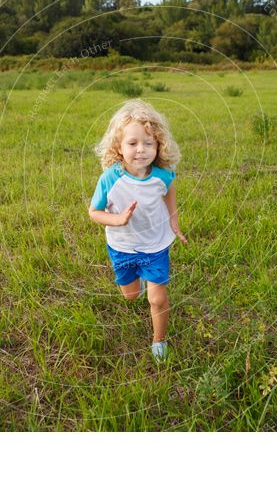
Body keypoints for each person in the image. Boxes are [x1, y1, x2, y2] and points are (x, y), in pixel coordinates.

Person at [88, 100, 187, 362]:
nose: (141, 150)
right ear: (119, 147)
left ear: (158, 146)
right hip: (122, 246)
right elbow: (94, 212)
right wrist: (118, 219)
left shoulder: (162, 175)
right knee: (131, 296)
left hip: (155, 245)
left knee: (157, 299)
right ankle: (139, 282)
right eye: (132, 144)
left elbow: (170, 189)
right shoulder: (110, 178)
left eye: (148, 143)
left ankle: (159, 341)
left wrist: (173, 219)